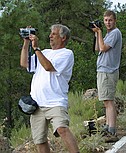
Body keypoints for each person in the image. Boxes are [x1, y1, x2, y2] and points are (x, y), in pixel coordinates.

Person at [20, 24, 80, 153]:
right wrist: (26, 44)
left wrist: (36, 48)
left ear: (63, 38)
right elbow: (25, 64)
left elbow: (48, 67)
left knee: (62, 129)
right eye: (50, 33)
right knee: (40, 140)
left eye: (54, 34)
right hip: (37, 103)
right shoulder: (45, 52)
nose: (50, 36)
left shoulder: (67, 54)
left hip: (55, 101)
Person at [92, 10, 122, 142]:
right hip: (104, 70)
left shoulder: (115, 33)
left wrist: (99, 33)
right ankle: (109, 127)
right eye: (106, 20)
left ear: (115, 20)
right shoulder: (109, 34)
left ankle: (112, 130)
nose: (108, 23)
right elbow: (97, 48)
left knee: (109, 102)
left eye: (110, 20)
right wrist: (97, 34)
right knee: (106, 101)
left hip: (108, 71)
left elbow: (103, 48)